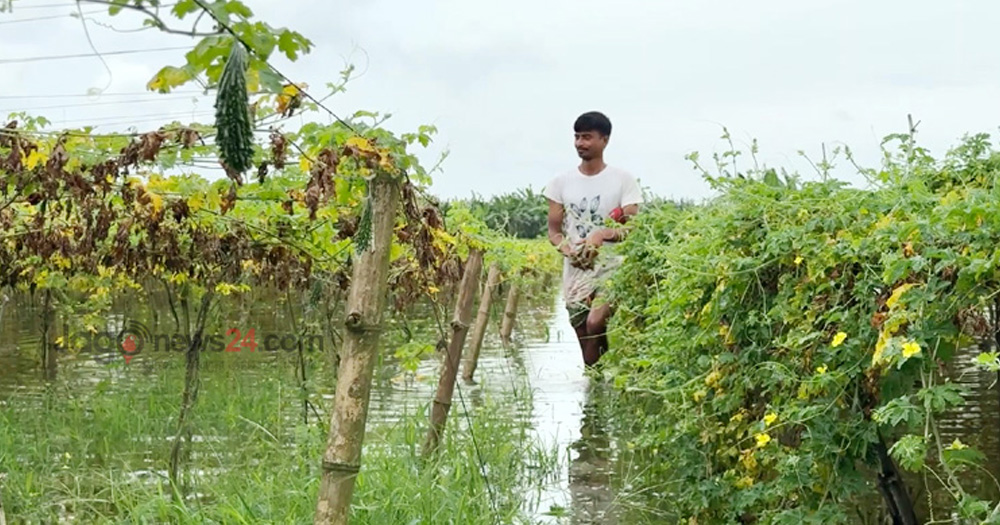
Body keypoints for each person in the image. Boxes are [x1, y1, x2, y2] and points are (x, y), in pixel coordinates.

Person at [543, 111, 642, 367]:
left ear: (604, 140)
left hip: (612, 267)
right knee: (585, 336)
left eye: (587, 137)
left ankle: (597, 384)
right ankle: (599, 383)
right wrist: (568, 250)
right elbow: (554, 232)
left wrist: (602, 235)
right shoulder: (560, 183)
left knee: (595, 321)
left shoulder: (623, 180)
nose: (580, 143)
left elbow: (632, 227)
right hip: (576, 270)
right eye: (577, 137)